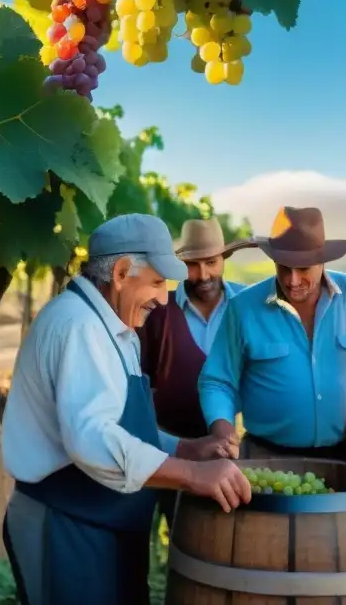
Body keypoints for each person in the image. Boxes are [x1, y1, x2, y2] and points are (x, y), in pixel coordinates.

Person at [0, 213, 251, 605]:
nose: (164, 297)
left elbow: (121, 423)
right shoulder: (79, 327)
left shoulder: (115, 327)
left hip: (103, 521)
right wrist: (190, 475)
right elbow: (93, 437)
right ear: (120, 273)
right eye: (156, 282)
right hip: (67, 525)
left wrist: (185, 448)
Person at [199, 206, 346, 462]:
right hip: (266, 458)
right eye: (284, 268)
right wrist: (222, 429)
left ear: (323, 260)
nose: (293, 280)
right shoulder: (243, 308)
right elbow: (218, 380)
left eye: (304, 269)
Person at [138, 218, 255, 527]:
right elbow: (142, 386)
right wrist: (150, 445)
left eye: (211, 263)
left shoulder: (247, 307)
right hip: (170, 452)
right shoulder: (158, 312)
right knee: (176, 532)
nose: (203, 275)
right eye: (192, 264)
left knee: (222, 537)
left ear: (224, 260)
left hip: (231, 453)